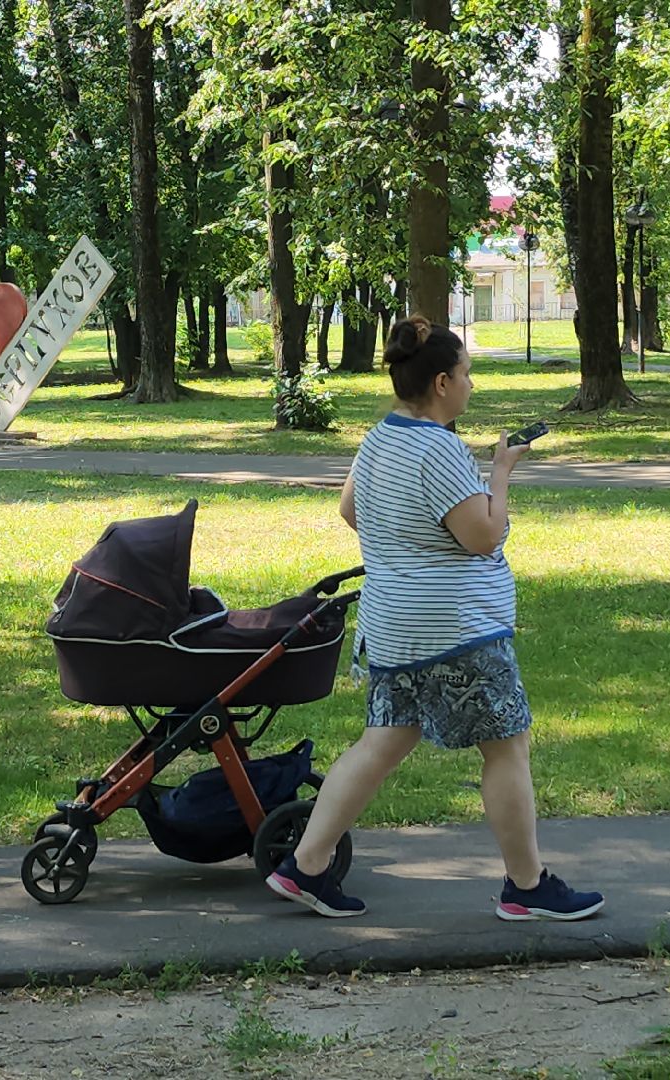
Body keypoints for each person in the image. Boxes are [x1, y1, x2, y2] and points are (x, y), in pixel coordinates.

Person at [265, 317, 604, 922]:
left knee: (383, 741)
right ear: (443, 382)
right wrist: (500, 472)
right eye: (468, 375)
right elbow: (481, 535)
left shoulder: (379, 438)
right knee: (507, 745)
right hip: (457, 629)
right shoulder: (440, 446)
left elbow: (350, 510)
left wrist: (406, 545)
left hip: (392, 625)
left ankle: (305, 866)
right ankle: (526, 887)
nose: (472, 386)